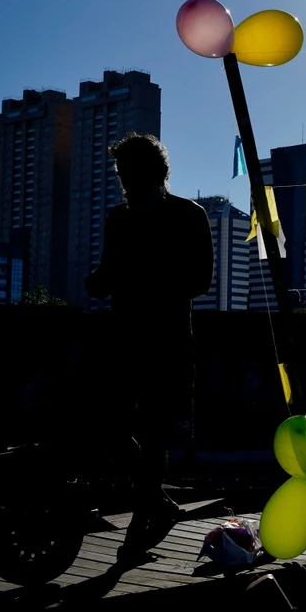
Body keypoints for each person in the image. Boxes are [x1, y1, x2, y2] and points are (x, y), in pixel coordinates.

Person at [85, 133, 214, 563]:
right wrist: (100, 281)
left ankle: (141, 529)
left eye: (131, 175)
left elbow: (200, 281)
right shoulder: (117, 218)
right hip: (125, 339)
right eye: (122, 175)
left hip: (169, 341)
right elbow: (107, 272)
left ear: (157, 174)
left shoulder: (189, 215)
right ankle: (156, 507)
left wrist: (139, 277)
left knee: (156, 434)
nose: (125, 183)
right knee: (111, 430)